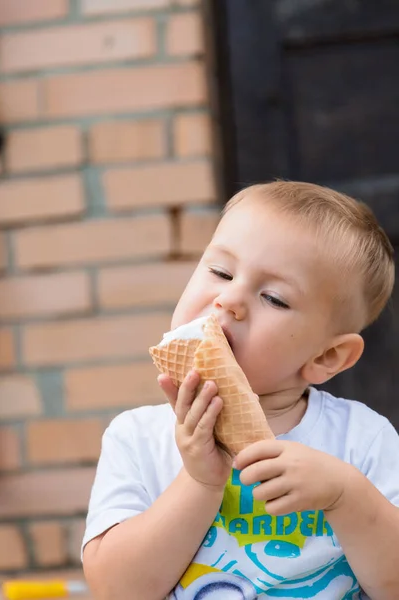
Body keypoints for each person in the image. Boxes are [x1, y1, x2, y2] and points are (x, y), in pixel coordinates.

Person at [82, 181, 399, 600]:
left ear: (326, 357)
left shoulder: (361, 439)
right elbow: (115, 590)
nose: (229, 299)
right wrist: (200, 483)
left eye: (273, 297)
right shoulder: (137, 438)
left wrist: (345, 496)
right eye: (220, 272)